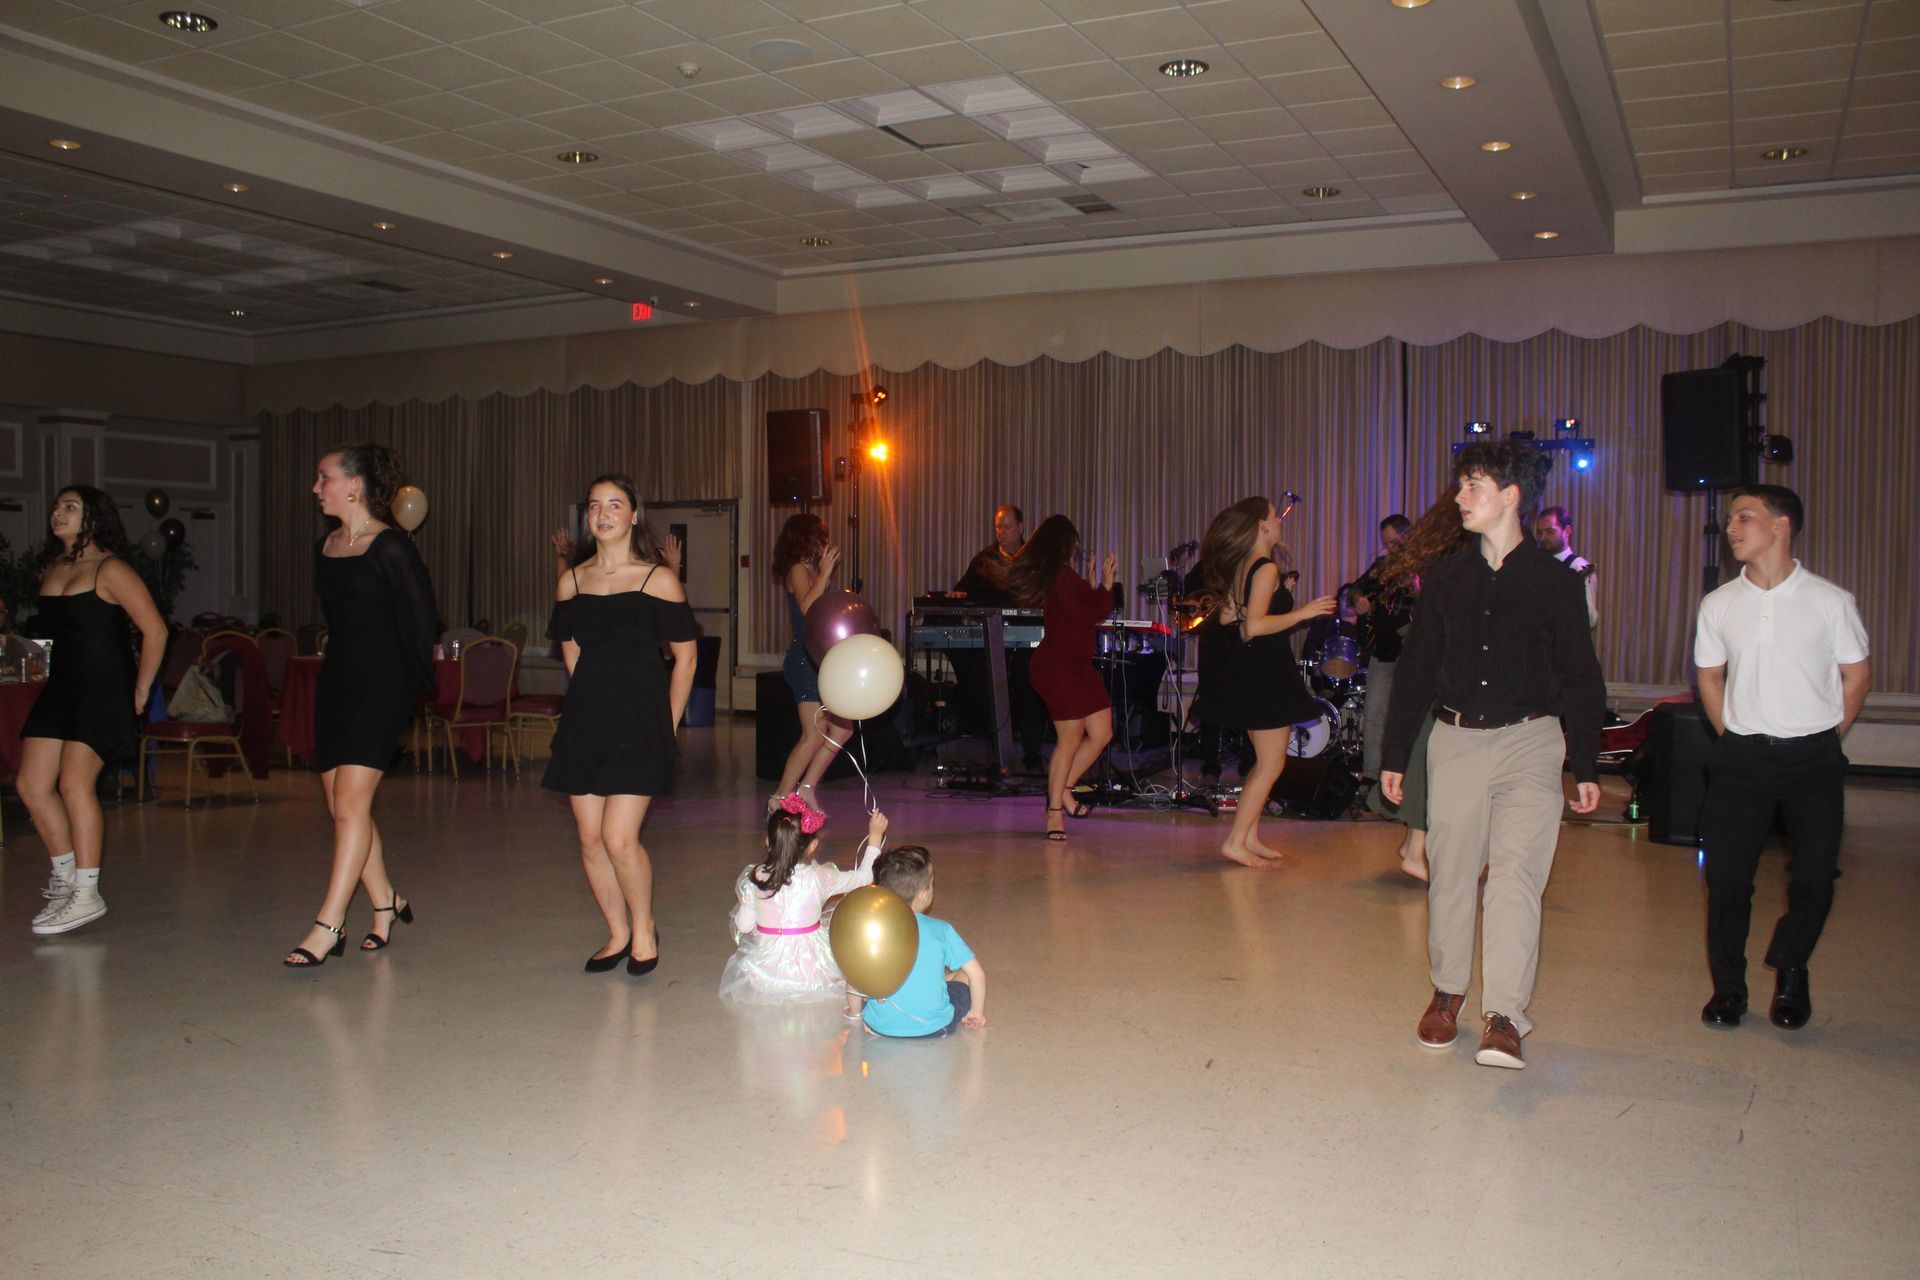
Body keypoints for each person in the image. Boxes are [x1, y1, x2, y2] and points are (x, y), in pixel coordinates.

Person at [1381, 441, 1604, 1070]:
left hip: (1531, 742)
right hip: (1455, 741)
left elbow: (1581, 676)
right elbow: (1417, 669)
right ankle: (1447, 991)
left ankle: (1504, 1014)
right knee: (1452, 871)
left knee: (1516, 877)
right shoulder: (1446, 577)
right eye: (1461, 485)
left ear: (1510, 496)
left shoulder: (1558, 582)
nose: (1459, 496)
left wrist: (1586, 763)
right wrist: (1395, 753)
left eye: (1472, 485)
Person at [1695, 485, 1869, 1031]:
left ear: (1781, 525)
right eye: (1730, 520)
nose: (1731, 528)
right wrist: (1731, 735)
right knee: (1727, 880)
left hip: (1813, 760)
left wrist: (1827, 735)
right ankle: (1729, 990)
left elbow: (1857, 675)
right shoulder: (1719, 604)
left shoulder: (1829, 601)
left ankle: (1792, 967)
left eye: (1743, 517)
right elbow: (1709, 675)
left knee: (1815, 877)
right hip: (1741, 759)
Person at [284, 444, 438, 967]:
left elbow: (423, 620)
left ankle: (329, 924)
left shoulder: (391, 547)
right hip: (338, 683)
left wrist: (412, 688)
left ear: (354, 486)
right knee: (341, 807)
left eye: (323, 477)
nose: (315, 487)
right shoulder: (325, 545)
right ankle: (385, 901)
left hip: (383, 685)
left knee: (350, 806)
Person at [545, 475, 699, 976]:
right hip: (586, 721)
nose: (603, 514)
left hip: (641, 723)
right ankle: (617, 931)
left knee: (618, 837)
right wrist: (592, 694)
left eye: (615, 505)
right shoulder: (572, 581)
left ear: (634, 516)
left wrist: (666, 724)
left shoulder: (658, 580)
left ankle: (644, 927)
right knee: (590, 838)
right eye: (595, 506)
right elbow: (570, 647)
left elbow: (686, 659)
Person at [18, 486, 167, 935]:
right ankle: (65, 880)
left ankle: (87, 892)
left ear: (93, 518)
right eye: (56, 505)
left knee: (74, 782)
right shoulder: (53, 568)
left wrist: (141, 688)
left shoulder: (111, 568)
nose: (57, 512)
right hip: (61, 687)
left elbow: (155, 630)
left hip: (102, 687)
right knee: (31, 785)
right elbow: (53, 638)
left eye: (70, 507)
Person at [1192, 497, 1336, 867]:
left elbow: (1229, 618)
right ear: (1261, 525)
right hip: (1265, 674)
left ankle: (1250, 836)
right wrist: (1303, 612)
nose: (1280, 520)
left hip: (1254, 671)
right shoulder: (1265, 567)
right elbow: (1253, 627)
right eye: (1274, 515)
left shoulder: (1243, 565)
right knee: (1272, 764)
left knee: (1264, 762)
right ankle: (1235, 841)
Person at [1362, 493, 1471, 882]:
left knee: (1430, 755)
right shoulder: (1447, 564)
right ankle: (1416, 849)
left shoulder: (1443, 562)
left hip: (1433, 665)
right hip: (1433, 668)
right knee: (1428, 755)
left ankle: (1413, 846)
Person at [1005, 515, 1115, 841]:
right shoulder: (1061, 576)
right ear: (1065, 545)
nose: (1076, 551)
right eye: (1074, 545)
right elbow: (1090, 613)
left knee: (1102, 731)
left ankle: (1064, 788)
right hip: (1058, 667)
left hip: (1076, 666)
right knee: (1069, 739)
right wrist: (1106, 585)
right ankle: (1053, 811)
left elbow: (1084, 610)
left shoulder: (1065, 576)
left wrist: (1094, 583)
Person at [721, 799, 886, 1008]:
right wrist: (875, 837)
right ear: (813, 846)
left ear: (768, 841)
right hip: (813, 973)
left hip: (765, 972)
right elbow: (864, 878)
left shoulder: (757, 877)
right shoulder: (820, 877)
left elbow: (744, 926)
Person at [769, 513, 853, 814]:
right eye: (819, 536)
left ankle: (806, 788)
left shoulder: (808, 570)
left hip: (816, 657)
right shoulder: (797, 568)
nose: (823, 542)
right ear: (805, 538)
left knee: (842, 729)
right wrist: (825, 572)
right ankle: (779, 798)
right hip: (804, 659)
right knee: (814, 733)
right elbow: (806, 607)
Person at [952, 503, 1045, 769]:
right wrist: (958, 595)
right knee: (989, 690)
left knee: (1029, 688)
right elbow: (962, 589)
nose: (1001, 533)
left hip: (1027, 640)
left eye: (1007, 527)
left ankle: (1032, 754)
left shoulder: (1033, 559)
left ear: (1021, 527)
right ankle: (999, 755)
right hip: (993, 639)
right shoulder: (985, 560)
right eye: (998, 527)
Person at [859, 844, 987, 1037]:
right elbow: (977, 975)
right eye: (931, 884)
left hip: (879, 1025)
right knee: (965, 973)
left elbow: (856, 977)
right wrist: (976, 1012)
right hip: (935, 1026)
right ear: (923, 895)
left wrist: (857, 1013)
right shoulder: (942, 930)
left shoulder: (871, 929)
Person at [1352, 514, 1413, 780]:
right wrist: (1358, 599)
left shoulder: (1426, 563)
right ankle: (1371, 776)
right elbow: (1354, 589)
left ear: (1408, 535)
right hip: (1383, 652)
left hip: (1412, 651)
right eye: (1386, 543)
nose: (1390, 548)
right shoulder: (1382, 566)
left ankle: (1408, 778)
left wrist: (1415, 585)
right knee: (1375, 715)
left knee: (1408, 717)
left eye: (1394, 542)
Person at [1534, 506, 1599, 630]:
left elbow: (1590, 619)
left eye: (1549, 532)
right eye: (1539, 532)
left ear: (1567, 531)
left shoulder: (1578, 567)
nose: (1542, 538)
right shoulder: (1535, 566)